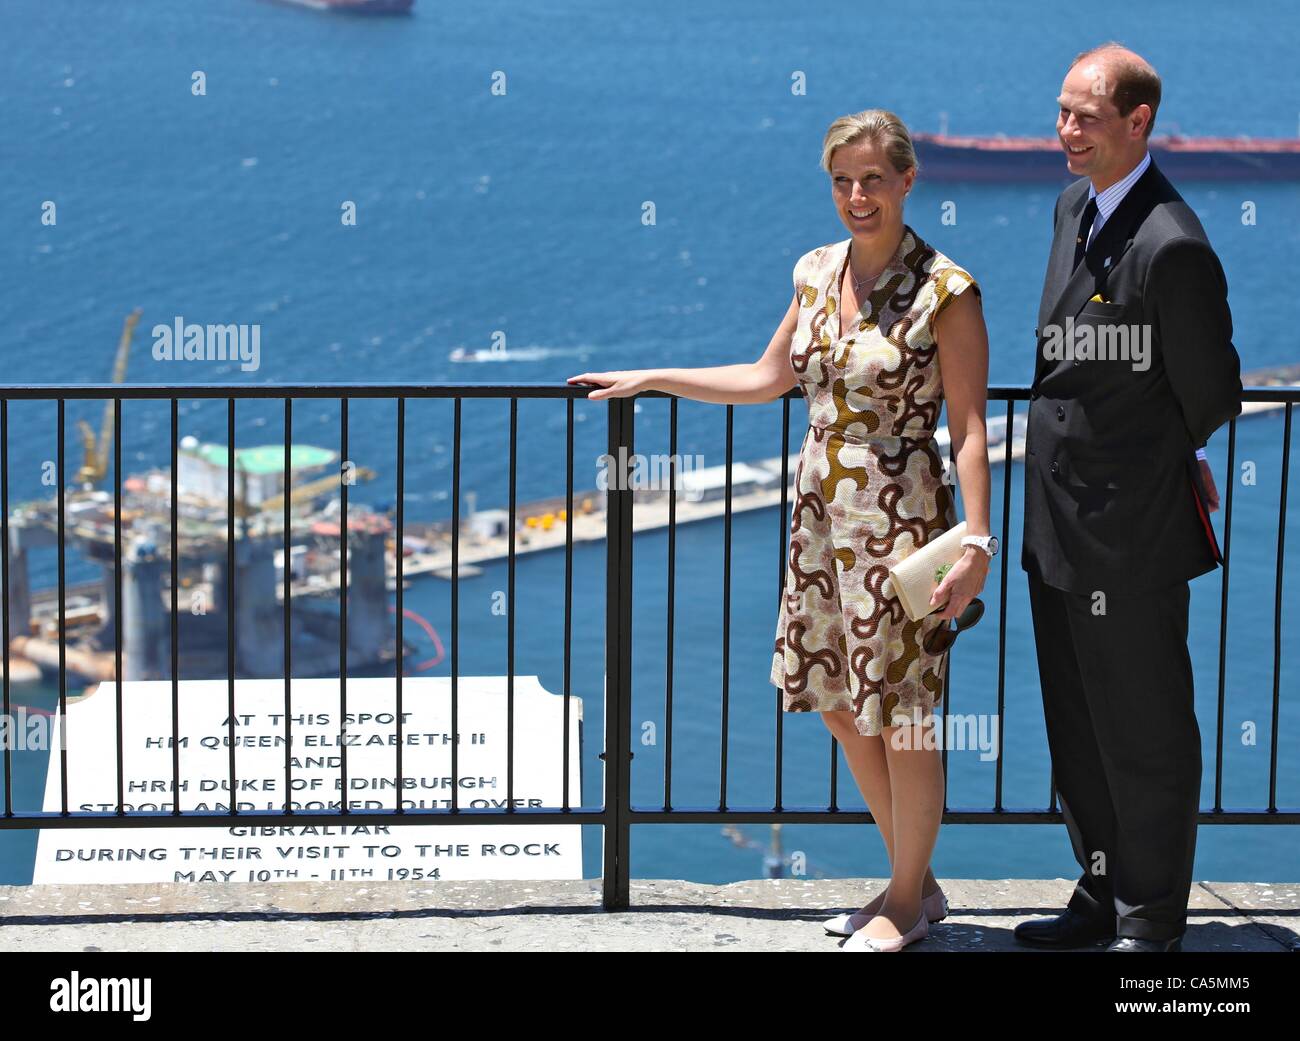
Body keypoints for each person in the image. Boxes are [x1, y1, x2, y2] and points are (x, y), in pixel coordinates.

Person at [568, 109, 994, 952]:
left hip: (903, 527)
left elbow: (972, 428)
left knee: (904, 714)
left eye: (873, 178)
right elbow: (768, 376)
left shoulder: (948, 290)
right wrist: (652, 374)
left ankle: (905, 897)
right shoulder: (813, 272)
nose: (857, 196)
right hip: (819, 524)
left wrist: (977, 540)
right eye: (842, 180)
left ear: (908, 180)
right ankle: (918, 878)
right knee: (840, 706)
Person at [1015, 43, 1242, 953]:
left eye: (1086, 117)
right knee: (1076, 724)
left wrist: (1165, 455)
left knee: (1143, 726)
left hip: (1132, 531)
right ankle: (1100, 891)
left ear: (1138, 122)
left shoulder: (1172, 243)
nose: (1065, 131)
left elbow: (1214, 390)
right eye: (1062, 111)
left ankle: (1151, 916)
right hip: (1058, 520)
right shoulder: (1076, 204)